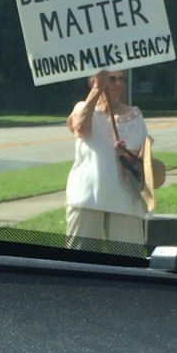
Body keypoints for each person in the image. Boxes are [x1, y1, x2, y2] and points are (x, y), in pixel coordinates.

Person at [65, 70, 149, 246]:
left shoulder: (134, 115)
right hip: (86, 199)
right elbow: (80, 128)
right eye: (112, 79)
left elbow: (139, 157)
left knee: (128, 264)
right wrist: (97, 90)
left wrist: (125, 153)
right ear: (95, 79)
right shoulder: (83, 108)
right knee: (81, 264)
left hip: (125, 201)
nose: (118, 83)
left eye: (121, 79)